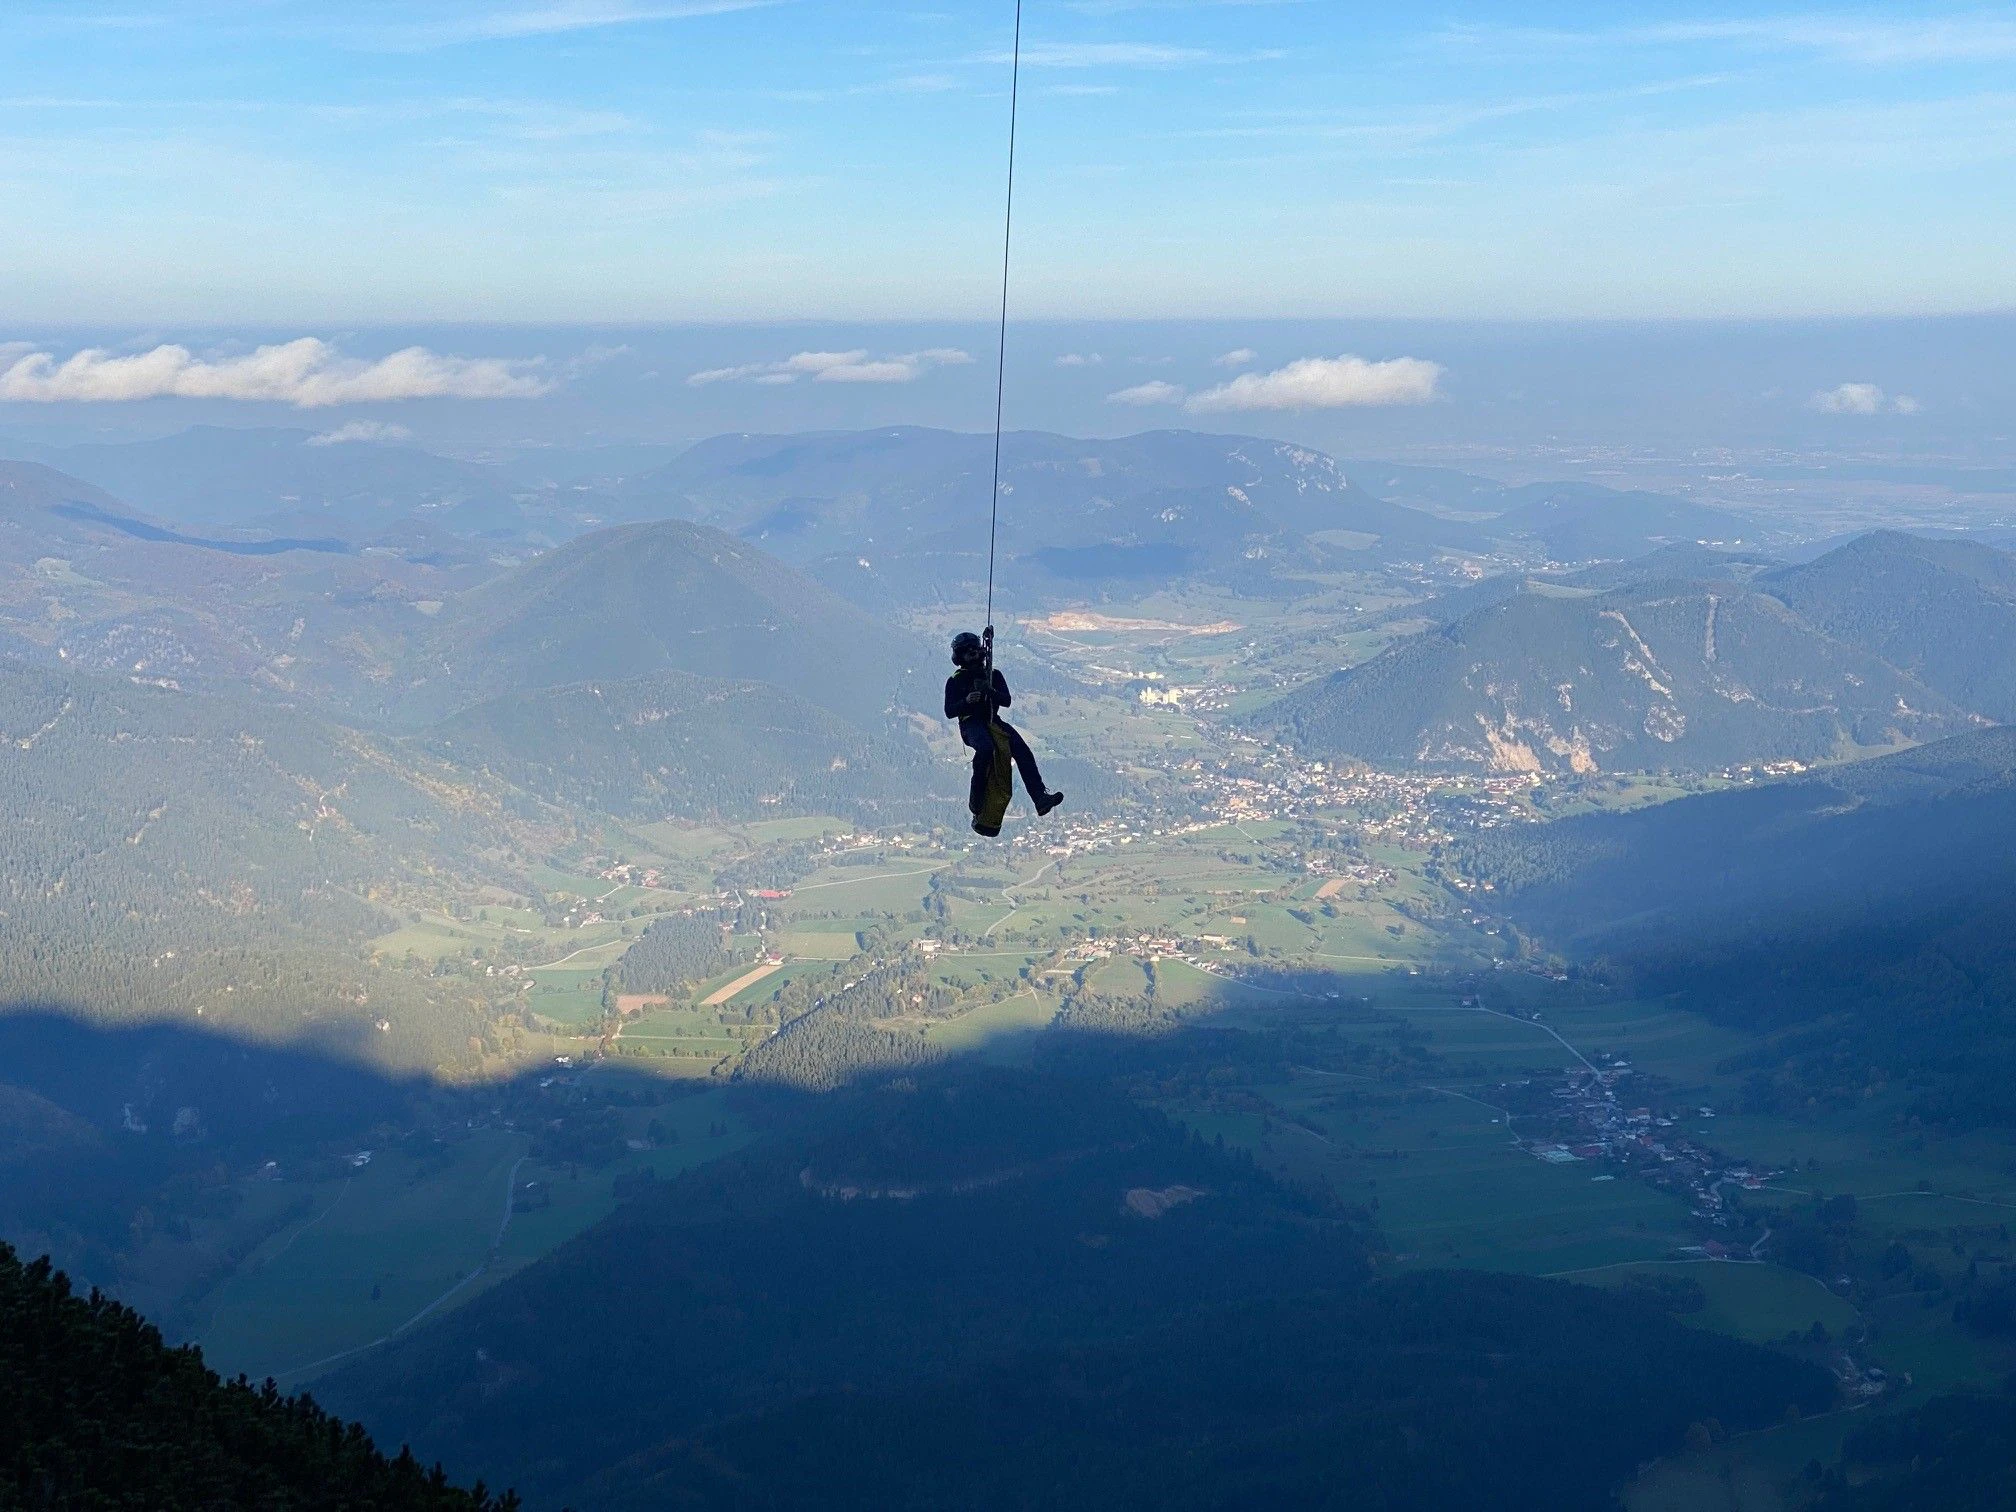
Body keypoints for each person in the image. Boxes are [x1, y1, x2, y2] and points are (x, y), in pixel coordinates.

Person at [945, 630, 1063, 834]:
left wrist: (988, 691)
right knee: (985, 749)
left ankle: (1040, 798)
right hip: (971, 723)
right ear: (960, 657)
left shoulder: (993, 675)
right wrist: (966, 701)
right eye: (967, 652)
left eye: (974, 650)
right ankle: (977, 800)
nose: (973, 655)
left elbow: (1006, 700)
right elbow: (949, 711)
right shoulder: (956, 680)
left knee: (1021, 749)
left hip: (991, 720)